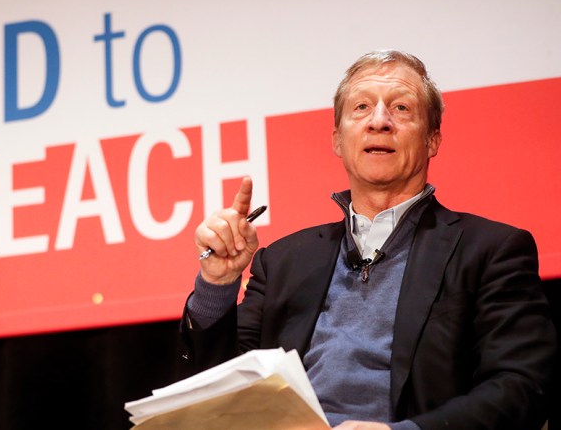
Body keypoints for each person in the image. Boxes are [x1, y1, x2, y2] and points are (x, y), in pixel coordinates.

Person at [178, 50, 556, 429]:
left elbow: (523, 387)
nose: (379, 121)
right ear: (338, 140)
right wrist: (218, 284)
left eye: (402, 108)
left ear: (432, 139)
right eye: (361, 107)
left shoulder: (491, 251)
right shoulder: (283, 261)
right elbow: (223, 393)